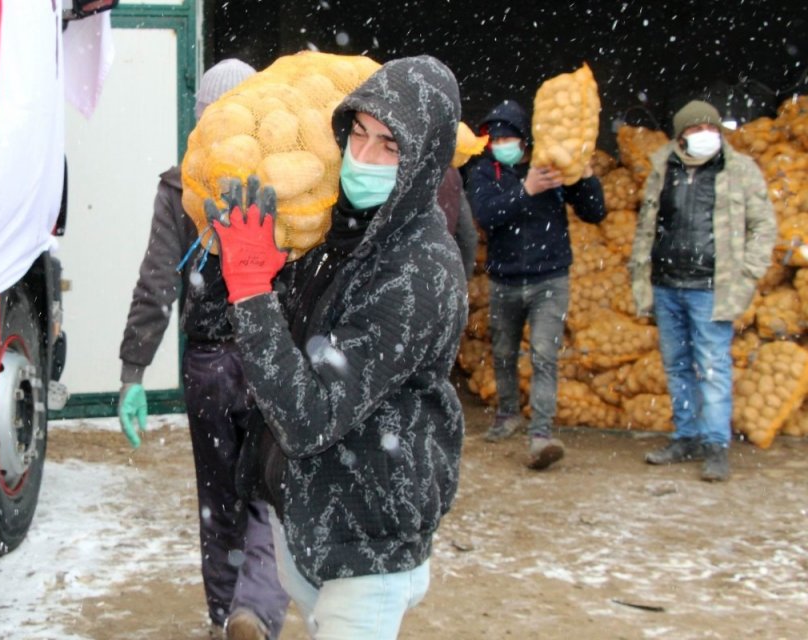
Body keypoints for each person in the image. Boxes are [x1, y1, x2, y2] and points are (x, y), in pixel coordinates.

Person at [206, 55, 466, 639]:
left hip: (368, 539)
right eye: (359, 134)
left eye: (389, 147)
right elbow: (289, 353)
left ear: (422, 161)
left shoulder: (418, 272)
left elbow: (308, 416)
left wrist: (250, 290)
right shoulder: (344, 236)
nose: (363, 158)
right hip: (314, 518)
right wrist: (268, 281)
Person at [116, 58, 289, 640]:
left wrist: (133, 371)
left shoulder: (180, 185)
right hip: (271, 358)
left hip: (209, 363)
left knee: (218, 502)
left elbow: (157, 280)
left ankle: (223, 617)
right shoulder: (286, 179)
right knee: (269, 494)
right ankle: (257, 609)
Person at [631, 100, 776, 482]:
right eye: (694, 130)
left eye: (709, 129)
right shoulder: (664, 168)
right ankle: (686, 437)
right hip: (666, 284)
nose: (703, 136)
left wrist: (748, 273)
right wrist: (641, 276)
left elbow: (763, 226)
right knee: (677, 366)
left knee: (712, 368)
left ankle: (716, 446)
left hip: (711, 287)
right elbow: (648, 225)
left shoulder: (739, 170)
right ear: (681, 136)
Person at [466, 99, 607, 470]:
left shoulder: (550, 167)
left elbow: (595, 212)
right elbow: (485, 215)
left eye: (508, 137)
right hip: (504, 278)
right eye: (494, 139)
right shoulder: (485, 173)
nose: (501, 143)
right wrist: (524, 190)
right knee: (503, 351)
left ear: (524, 140)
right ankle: (508, 413)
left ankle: (541, 434)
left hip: (550, 278)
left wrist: (585, 176)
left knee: (544, 354)